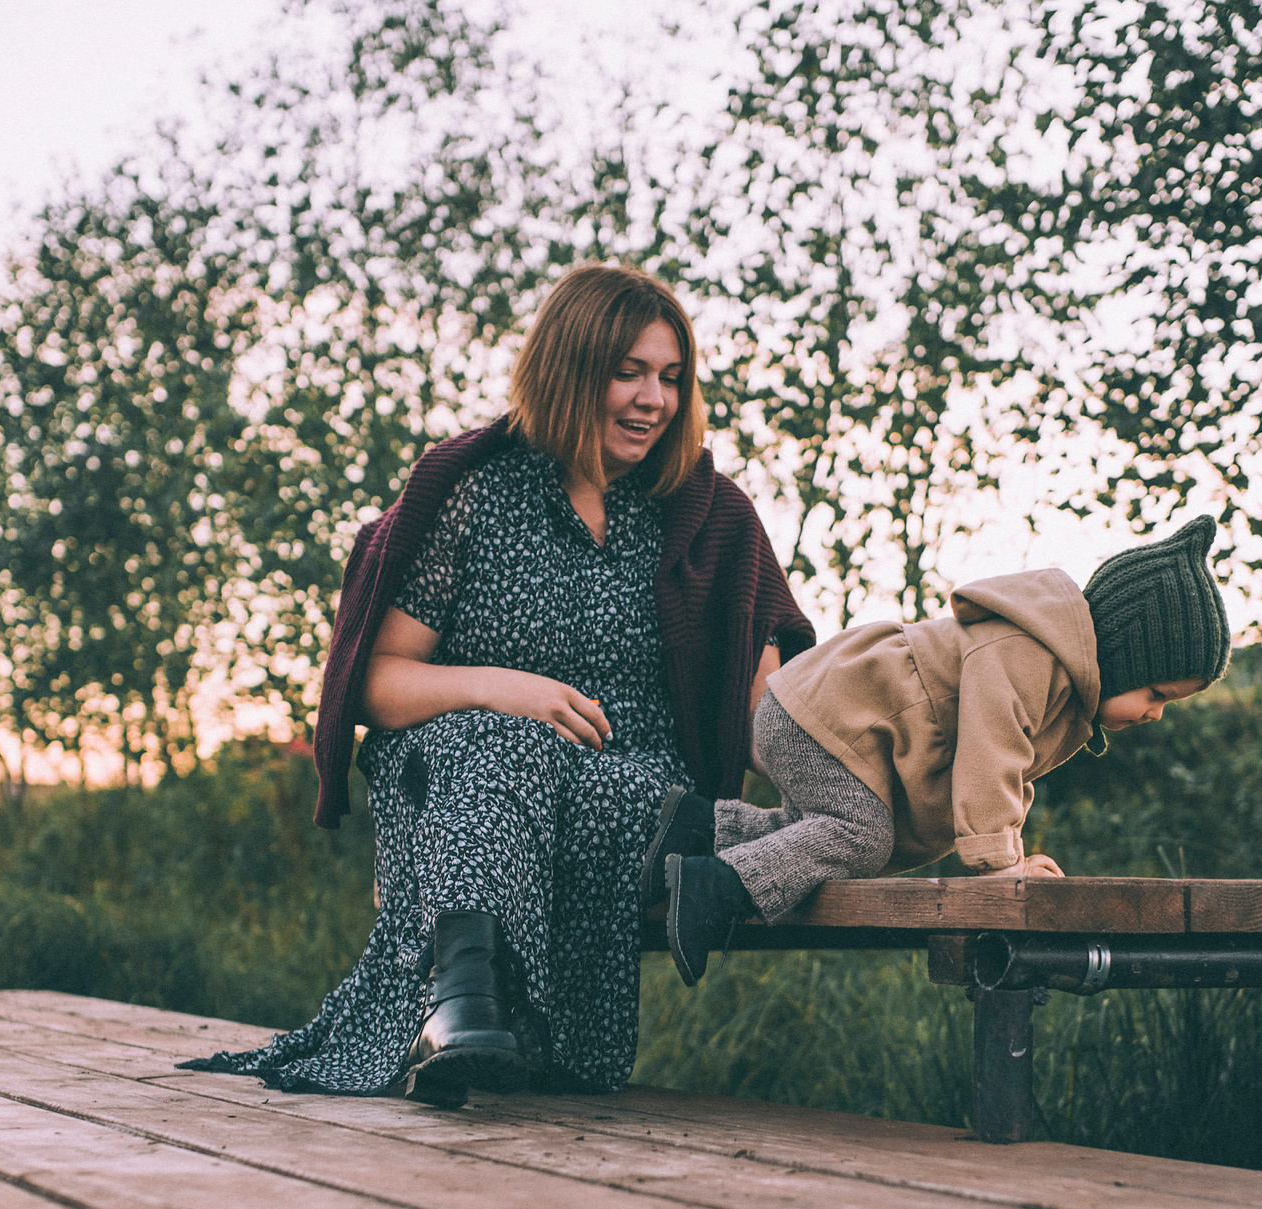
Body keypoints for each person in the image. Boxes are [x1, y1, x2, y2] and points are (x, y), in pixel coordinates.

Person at [182, 264, 814, 1105]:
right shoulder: (477, 495)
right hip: (463, 766)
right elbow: (374, 683)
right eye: (627, 371)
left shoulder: (702, 514)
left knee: (607, 793)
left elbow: (771, 711)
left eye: (670, 377)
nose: (652, 399)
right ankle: (461, 1002)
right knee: (498, 740)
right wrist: (504, 689)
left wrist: (877, 804)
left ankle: (478, 1005)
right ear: (569, 368)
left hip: (622, 796)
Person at [647, 517, 1229, 984]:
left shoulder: (1066, 694)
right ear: (1126, 652)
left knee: (822, 833)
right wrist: (1003, 870)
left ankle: (701, 830)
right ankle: (714, 888)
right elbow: (991, 757)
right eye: (1156, 693)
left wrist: (1014, 855)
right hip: (823, 715)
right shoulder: (1029, 652)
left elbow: (1011, 776)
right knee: (860, 834)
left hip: (839, 729)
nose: (1155, 713)